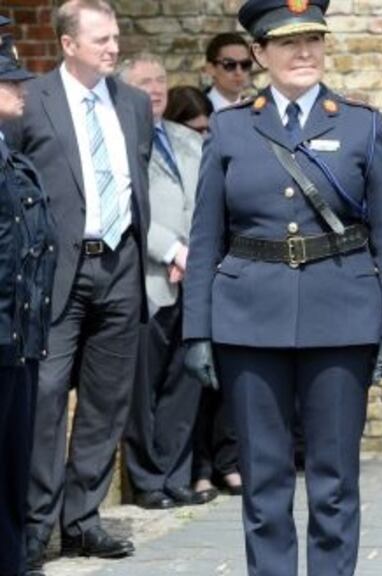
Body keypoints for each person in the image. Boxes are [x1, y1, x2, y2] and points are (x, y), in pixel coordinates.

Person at [181, 1, 382, 574]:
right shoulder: (231, 128)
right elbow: (206, 236)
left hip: (343, 317)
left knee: (334, 481)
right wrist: (197, 332)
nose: (303, 53)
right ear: (259, 53)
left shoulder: (362, 124)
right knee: (264, 482)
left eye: (313, 40)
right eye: (287, 43)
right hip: (248, 321)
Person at [0, 0, 152, 566]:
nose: (113, 47)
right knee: (42, 400)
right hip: (57, 273)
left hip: (120, 265)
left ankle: (83, 519)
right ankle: (35, 527)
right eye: (101, 39)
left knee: (106, 402)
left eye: (115, 37)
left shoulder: (134, 104)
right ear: (68, 44)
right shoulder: (31, 100)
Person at [118, 54, 215, 510]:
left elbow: (206, 201)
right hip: (148, 277)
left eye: (160, 80)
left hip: (191, 280)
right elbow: (131, 207)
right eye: (143, 82)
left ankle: (177, 475)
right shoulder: (121, 139)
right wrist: (174, 251)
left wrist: (195, 253)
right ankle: (147, 481)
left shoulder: (186, 139)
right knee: (143, 388)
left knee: (184, 382)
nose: (155, 89)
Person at [0, 21, 56, 576]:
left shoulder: (10, 152)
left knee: (12, 471)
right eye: (8, 80)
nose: (21, 89)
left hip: (18, 341)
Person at [190, 32, 254, 499]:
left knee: (236, 376)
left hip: (245, 254)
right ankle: (201, 464)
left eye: (244, 65)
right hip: (209, 247)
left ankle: (229, 459)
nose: (237, 74)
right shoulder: (206, 114)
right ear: (212, 67)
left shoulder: (256, 113)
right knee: (201, 373)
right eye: (228, 65)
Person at [204, 32, 252, 111]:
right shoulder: (194, 111)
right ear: (211, 68)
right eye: (230, 65)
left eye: (245, 64)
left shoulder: (257, 111)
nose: (238, 72)